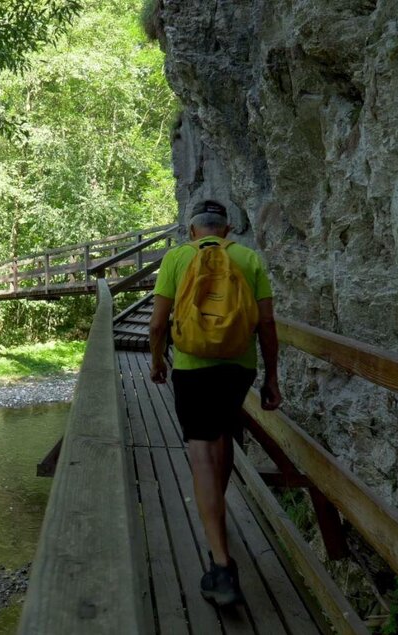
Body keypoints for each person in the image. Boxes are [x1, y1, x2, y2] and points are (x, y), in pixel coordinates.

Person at [149, 199, 282, 607]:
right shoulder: (248, 259)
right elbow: (267, 324)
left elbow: (158, 323)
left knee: (202, 451)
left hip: (192, 368)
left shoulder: (176, 258)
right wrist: (272, 379)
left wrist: (158, 362)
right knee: (222, 433)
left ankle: (222, 567)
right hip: (238, 367)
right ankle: (216, 517)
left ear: (193, 231)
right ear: (226, 230)